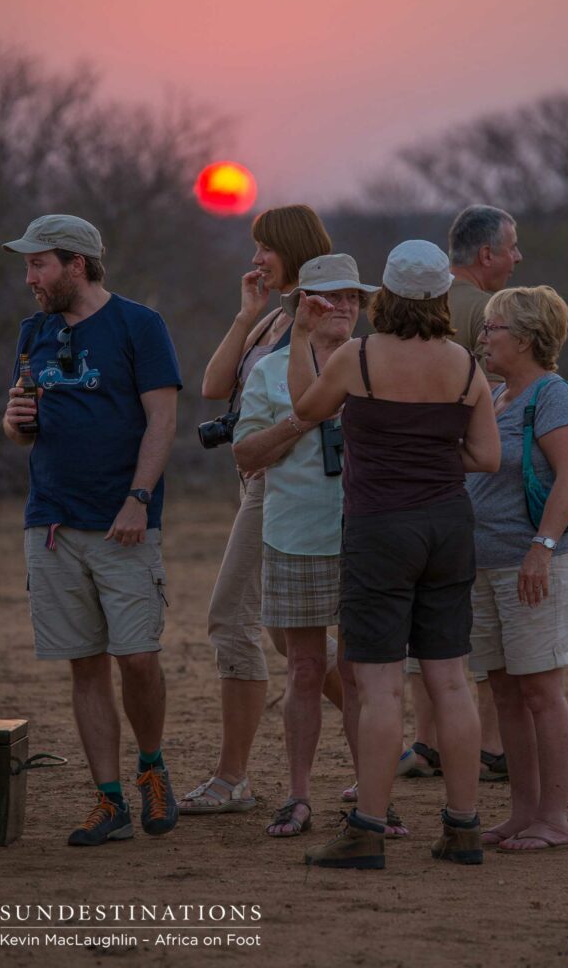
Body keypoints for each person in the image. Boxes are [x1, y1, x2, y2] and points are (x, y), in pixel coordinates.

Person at [288, 240, 500, 870]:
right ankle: (463, 829)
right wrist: (431, 459)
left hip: (381, 530)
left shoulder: (360, 357)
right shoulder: (464, 365)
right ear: (439, 298)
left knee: (380, 686)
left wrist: (303, 338)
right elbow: (486, 456)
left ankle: (367, 831)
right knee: (451, 679)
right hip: (447, 526)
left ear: (387, 296)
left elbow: (305, 410)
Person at [2, 214, 182, 846]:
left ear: (76, 265)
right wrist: (14, 419)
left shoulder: (139, 325)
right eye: (28, 266)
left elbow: (162, 420)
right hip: (50, 521)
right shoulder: (35, 332)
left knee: (136, 657)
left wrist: (139, 499)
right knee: (85, 665)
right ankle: (110, 801)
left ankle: (152, 767)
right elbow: (20, 426)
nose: (30, 278)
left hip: (123, 523)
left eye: (39, 265)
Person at [178, 205, 341, 814]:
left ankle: (232, 777)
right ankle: (381, 734)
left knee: (231, 619)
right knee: (289, 638)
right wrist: (246, 314)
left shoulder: (321, 318)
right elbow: (215, 387)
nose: (255, 261)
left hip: (282, 485)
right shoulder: (273, 319)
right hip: (255, 484)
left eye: (264, 250)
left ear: (291, 248)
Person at [233, 254, 379, 837]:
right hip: (295, 534)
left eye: (352, 297)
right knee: (304, 667)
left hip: (367, 534)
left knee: (363, 671)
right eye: (327, 296)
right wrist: (301, 421)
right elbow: (244, 454)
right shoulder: (270, 372)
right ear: (302, 305)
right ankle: (297, 796)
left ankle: (372, 796)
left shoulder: (376, 363)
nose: (342, 306)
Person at [402, 205, 522, 782]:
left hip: (412, 486)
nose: (517, 258)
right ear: (485, 255)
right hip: (474, 482)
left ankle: (426, 743)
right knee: (480, 628)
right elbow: (505, 404)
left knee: (428, 626)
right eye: (512, 247)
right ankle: (490, 749)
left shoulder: (411, 308)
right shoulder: (495, 314)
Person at [466, 285, 568, 852]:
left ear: (529, 338)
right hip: (484, 567)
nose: (483, 336)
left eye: (494, 328)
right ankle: (521, 812)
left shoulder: (552, 395)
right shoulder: (494, 396)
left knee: (541, 689)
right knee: (505, 691)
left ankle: (554, 819)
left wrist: (541, 547)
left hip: (534, 567)